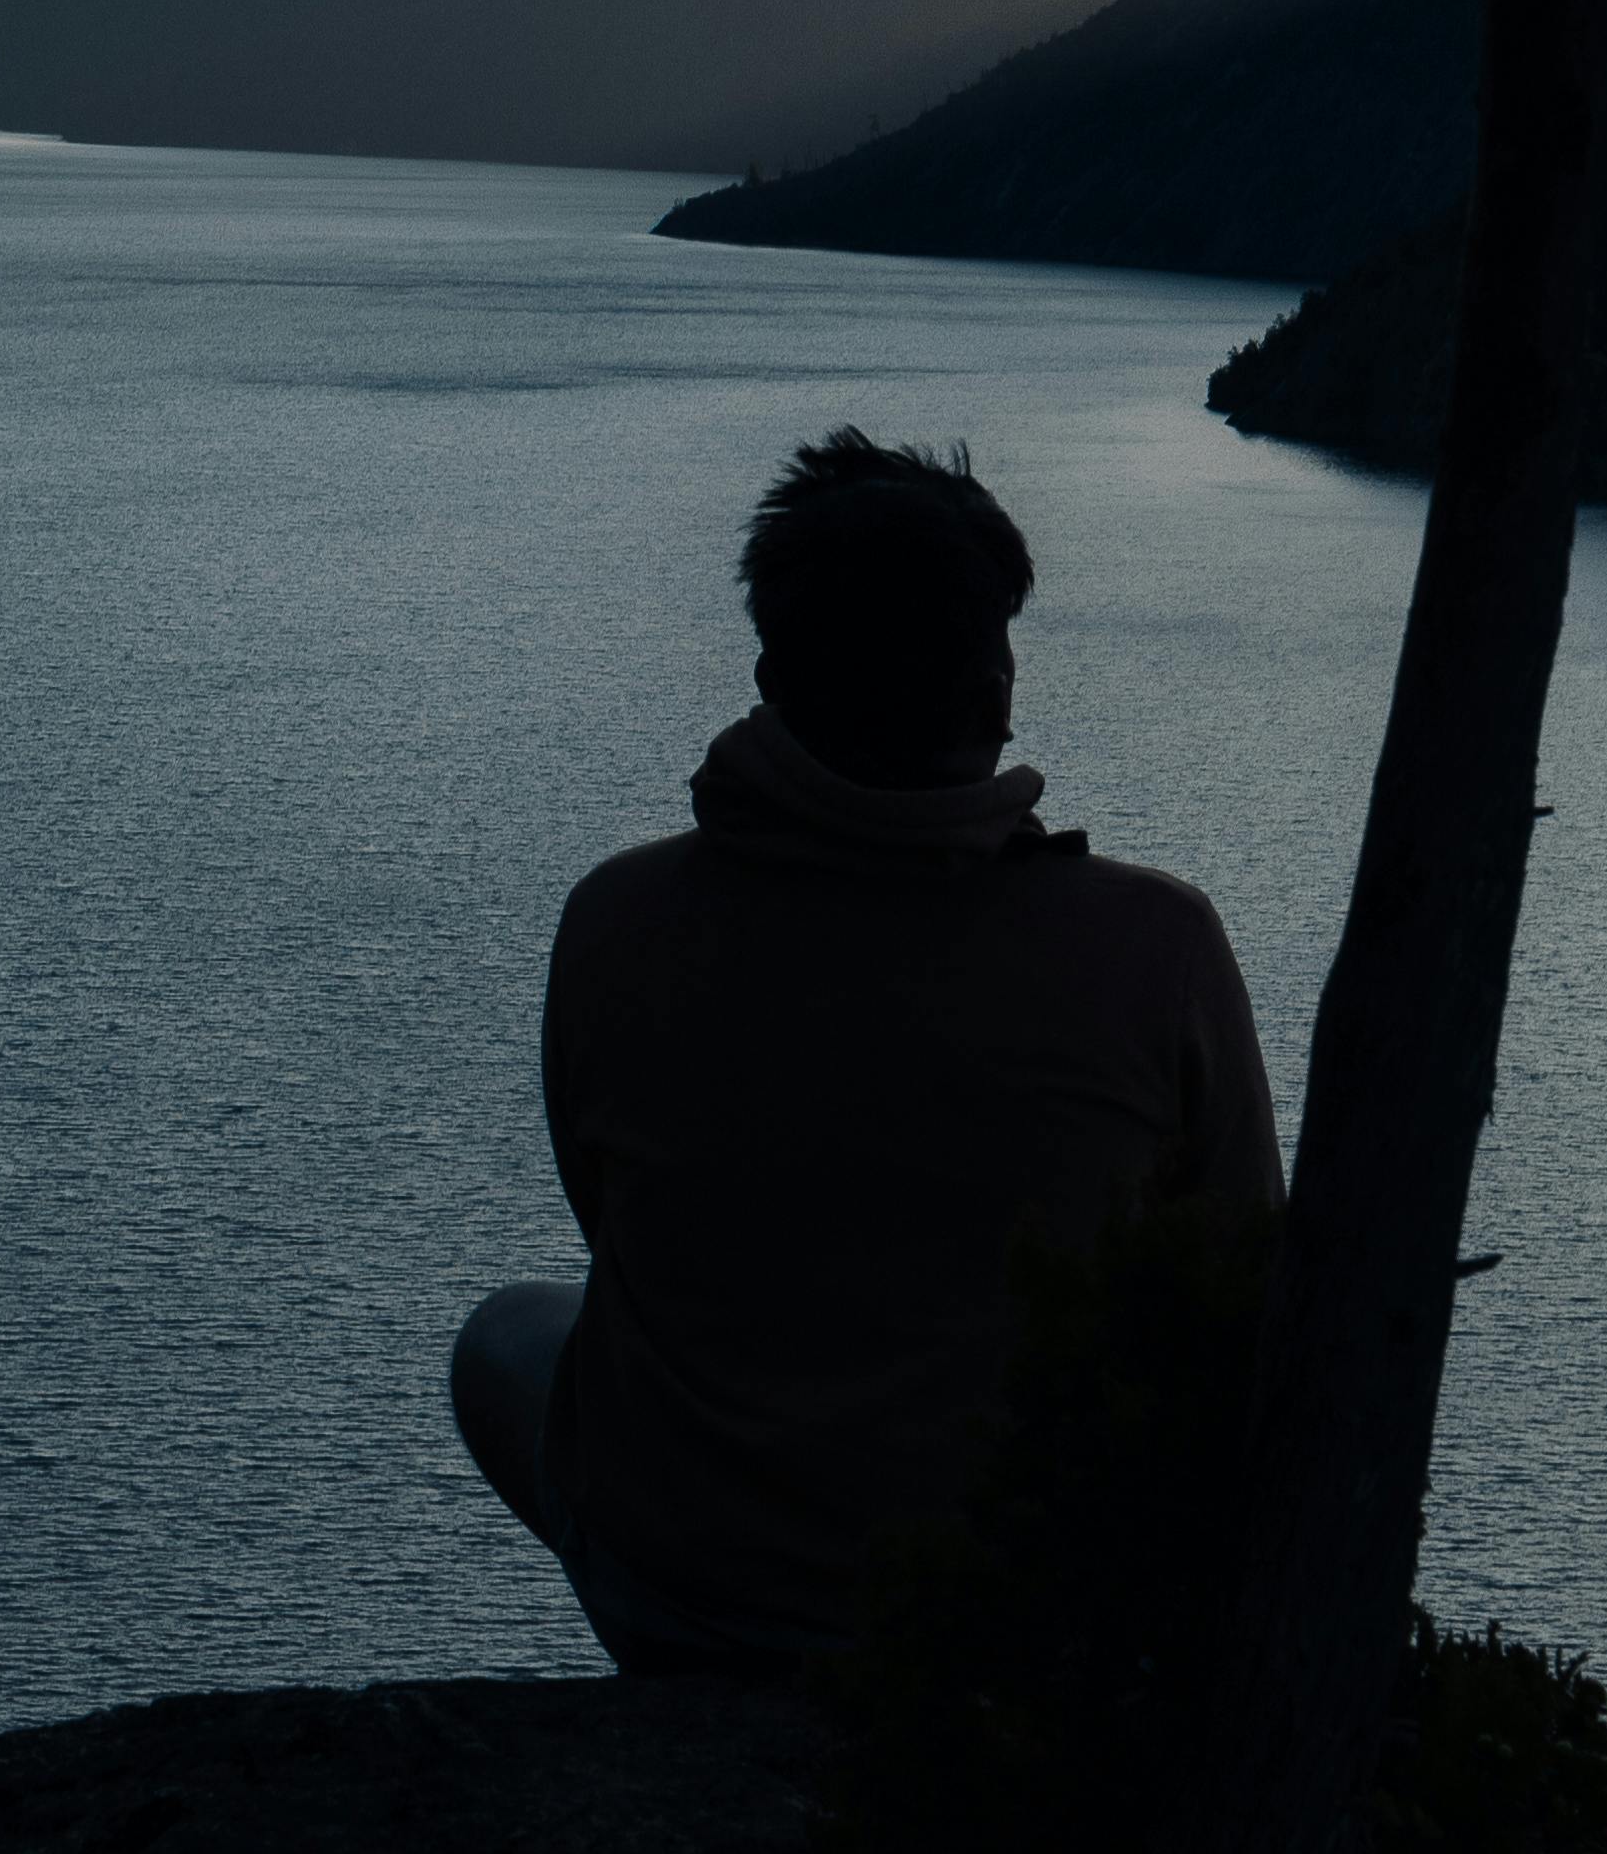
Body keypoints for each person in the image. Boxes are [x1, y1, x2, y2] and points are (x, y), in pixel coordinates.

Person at [450, 426, 1285, 1675]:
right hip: (1019, 1623)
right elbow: (1239, 1291)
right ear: (991, 684)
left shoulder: (619, 917)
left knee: (506, 1338)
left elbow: (613, 1224)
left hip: (694, 1603)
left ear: (771, 673)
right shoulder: (1152, 945)